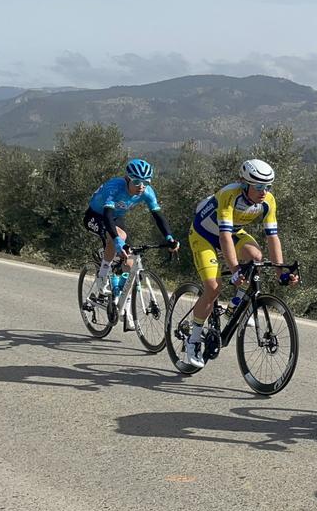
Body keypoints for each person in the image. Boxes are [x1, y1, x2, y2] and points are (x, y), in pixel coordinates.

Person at [180, 158, 299, 369]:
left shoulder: (268, 201)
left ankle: (233, 308)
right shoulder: (229, 195)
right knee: (213, 288)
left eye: (268, 186)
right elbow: (224, 236)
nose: (264, 191)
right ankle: (193, 340)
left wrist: (281, 271)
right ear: (244, 184)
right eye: (259, 186)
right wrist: (234, 270)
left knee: (256, 257)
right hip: (204, 235)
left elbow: (273, 237)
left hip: (232, 233)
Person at [83, 158, 178, 330]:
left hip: (116, 217)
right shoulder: (114, 187)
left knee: (130, 261)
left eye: (146, 182)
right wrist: (118, 242)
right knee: (119, 236)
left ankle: (125, 308)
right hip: (97, 215)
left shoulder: (147, 192)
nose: (141, 186)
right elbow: (107, 215)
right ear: (127, 179)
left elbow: (158, 217)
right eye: (136, 182)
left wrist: (170, 238)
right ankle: (103, 274)